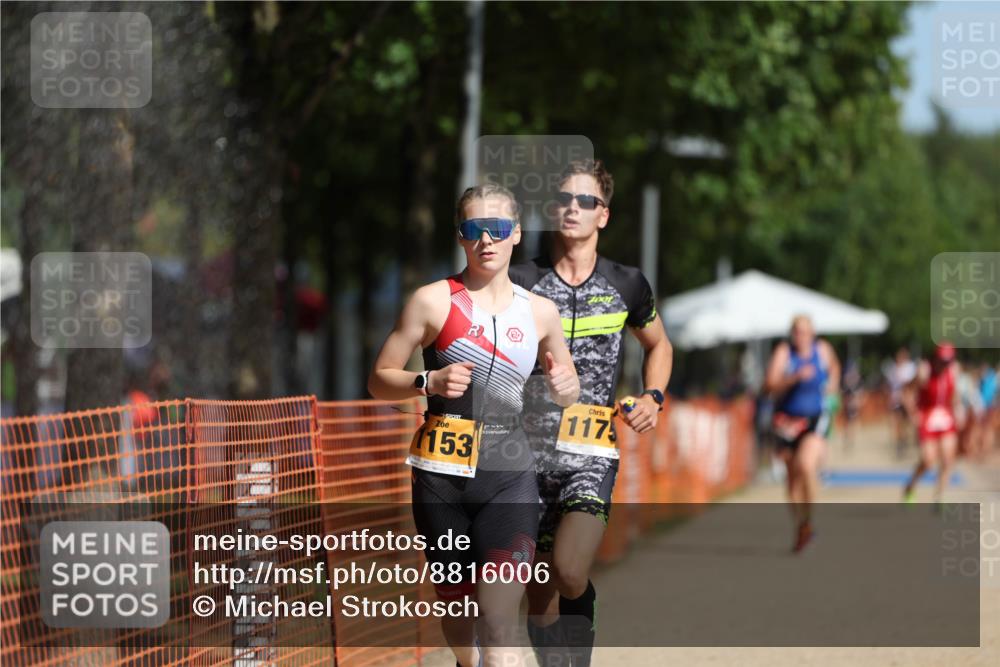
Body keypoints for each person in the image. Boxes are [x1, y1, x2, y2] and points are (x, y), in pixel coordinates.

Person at [368, 183, 580, 667]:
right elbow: (380, 381)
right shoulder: (432, 302)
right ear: (460, 237)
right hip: (441, 481)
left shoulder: (540, 313)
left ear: (517, 235)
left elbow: (568, 391)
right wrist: (429, 379)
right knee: (460, 618)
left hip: (510, 476)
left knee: (499, 617)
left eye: (498, 229)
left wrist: (566, 385)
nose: (487, 240)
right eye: (474, 229)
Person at [509, 159, 673, 667]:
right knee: (537, 598)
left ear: (604, 215)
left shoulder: (627, 284)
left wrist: (652, 397)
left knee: (570, 571)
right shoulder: (520, 280)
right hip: (524, 459)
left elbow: (660, 343)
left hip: (590, 452)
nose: (572, 208)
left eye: (586, 201)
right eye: (564, 199)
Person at [764, 315, 840, 553]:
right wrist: (794, 378)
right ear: (792, 333)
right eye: (797, 331)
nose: (801, 336)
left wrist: (832, 386)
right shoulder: (784, 353)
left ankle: (809, 519)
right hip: (787, 422)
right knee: (792, 479)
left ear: (813, 333)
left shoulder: (823, 349)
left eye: (806, 331)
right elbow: (769, 386)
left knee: (806, 465)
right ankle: (802, 525)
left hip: (814, 419)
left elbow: (835, 366)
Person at [903, 343, 959, 508]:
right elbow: (907, 391)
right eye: (943, 361)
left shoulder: (954, 371)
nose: (945, 365)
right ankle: (911, 486)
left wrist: (957, 411)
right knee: (928, 460)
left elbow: (954, 395)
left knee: (948, 459)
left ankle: (939, 497)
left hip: (945, 416)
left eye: (948, 361)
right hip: (927, 416)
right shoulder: (924, 371)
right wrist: (913, 414)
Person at [883, 347, 917, 459]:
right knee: (895, 423)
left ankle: (905, 441)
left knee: (906, 424)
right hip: (895, 400)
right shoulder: (893, 368)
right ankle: (899, 444)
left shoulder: (910, 368)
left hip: (906, 400)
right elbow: (889, 385)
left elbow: (912, 385)